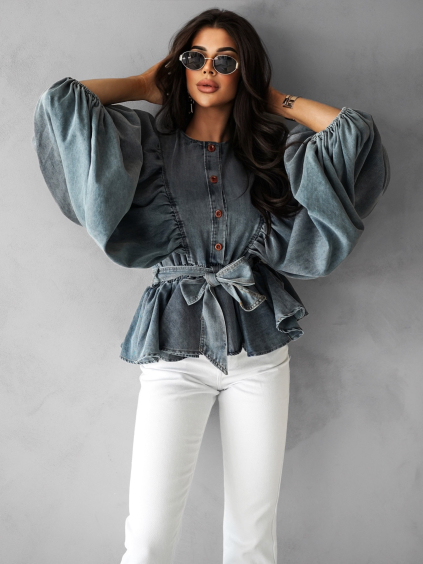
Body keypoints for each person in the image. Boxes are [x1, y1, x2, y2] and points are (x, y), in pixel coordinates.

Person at [31, 8, 390, 564]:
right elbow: (62, 103)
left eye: (226, 61)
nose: (208, 70)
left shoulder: (273, 151)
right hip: (173, 350)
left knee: (252, 539)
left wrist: (271, 98)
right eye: (195, 57)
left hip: (260, 354)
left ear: (244, 71)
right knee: (147, 539)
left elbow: (354, 133)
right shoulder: (148, 143)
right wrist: (143, 84)